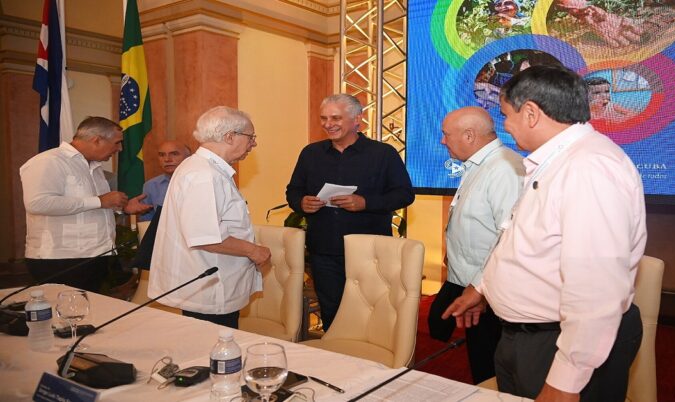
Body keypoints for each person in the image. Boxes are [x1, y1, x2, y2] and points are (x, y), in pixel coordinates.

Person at [443, 65, 646, 402]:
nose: (504, 126)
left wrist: (567, 378)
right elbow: (522, 240)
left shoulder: (589, 168)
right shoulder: (556, 161)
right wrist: (484, 288)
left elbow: (596, 287)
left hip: (558, 343)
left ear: (532, 113)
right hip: (529, 337)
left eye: (506, 115)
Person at [286, 94, 415, 331]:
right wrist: (301, 203)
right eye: (324, 118)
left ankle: (372, 364)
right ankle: (336, 363)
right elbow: (293, 191)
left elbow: (405, 194)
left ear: (358, 119)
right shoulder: (311, 154)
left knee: (372, 312)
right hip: (324, 252)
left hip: (370, 252)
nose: (328, 124)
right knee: (332, 313)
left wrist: (365, 203)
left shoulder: (383, 154)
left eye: (336, 117)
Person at [148, 106, 271, 328]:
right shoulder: (204, 174)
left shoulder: (203, 168)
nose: (254, 144)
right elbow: (206, 237)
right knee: (215, 357)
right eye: (251, 137)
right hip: (211, 290)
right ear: (230, 136)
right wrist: (254, 251)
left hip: (213, 286)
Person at [427, 106, 524, 384]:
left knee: (492, 369)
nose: (443, 141)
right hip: (473, 285)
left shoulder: (505, 169)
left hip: (490, 291)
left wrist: (480, 287)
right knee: (480, 364)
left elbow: (508, 238)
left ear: (469, 135)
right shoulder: (480, 163)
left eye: (446, 134)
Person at [20, 116, 152, 292]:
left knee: (88, 314)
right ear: (96, 140)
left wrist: (124, 208)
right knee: (66, 315)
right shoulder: (49, 161)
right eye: (117, 143)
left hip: (94, 255)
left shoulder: (94, 168)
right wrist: (99, 200)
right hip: (59, 258)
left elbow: (92, 208)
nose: (119, 149)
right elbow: (37, 203)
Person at [132, 140, 191, 222]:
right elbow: (147, 223)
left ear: (188, 158)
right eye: (162, 155)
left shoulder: (201, 182)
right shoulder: (151, 186)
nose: (167, 159)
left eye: (174, 154)